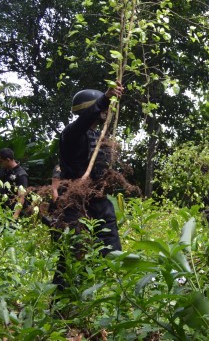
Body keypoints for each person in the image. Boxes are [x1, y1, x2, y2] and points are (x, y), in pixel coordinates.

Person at [53, 85, 124, 291]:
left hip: (95, 196)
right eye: (98, 108)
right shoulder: (72, 133)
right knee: (75, 244)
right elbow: (83, 122)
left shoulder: (97, 135)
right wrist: (104, 99)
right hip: (74, 196)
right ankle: (62, 297)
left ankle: (108, 284)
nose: (103, 112)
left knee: (109, 234)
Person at [0, 148, 29, 220]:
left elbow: (21, 198)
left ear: (8, 160)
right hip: (0, 207)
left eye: (1, 161)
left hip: (13, 210)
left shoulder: (21, 175)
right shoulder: (3, 169)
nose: (0, 164)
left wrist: (14, 217)